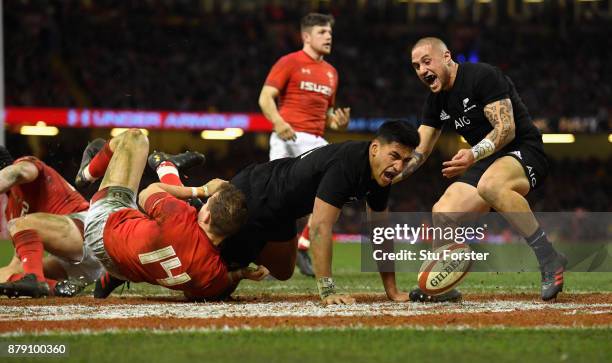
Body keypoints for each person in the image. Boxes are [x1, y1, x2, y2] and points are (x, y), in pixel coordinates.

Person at [153, 121, 417, 305]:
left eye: (405, 161)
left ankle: (234, 255)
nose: (399, 166)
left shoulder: (381, 176)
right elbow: (320, 228)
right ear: (374, 148)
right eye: (394, 155)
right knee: (202, 292)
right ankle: (170, 172)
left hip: (282, 211)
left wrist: (392, 291)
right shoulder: (347, 165)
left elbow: (380, 233)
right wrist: (327, 290)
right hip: (253, 200)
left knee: (283, 271)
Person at [397, 37, 565, 302]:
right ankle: (442, 287)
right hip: (487, 160)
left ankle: (549, 257)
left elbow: (506, 129)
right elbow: (420, 149)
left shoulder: (482, 76)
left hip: (524, 149)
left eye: (426, 62)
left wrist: (473, 154)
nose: (421, 70)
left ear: (447, 57)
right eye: (416, 66)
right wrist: (389, 173)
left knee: (490, 185)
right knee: (443, 212)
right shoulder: (436, 100)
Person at [72, 130, 268, 301]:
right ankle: (168, 165)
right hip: (125, 267)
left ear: (207, 217)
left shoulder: (180, 218)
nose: (202, 208)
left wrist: (202, 190)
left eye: (206, 206)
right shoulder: (212, 273)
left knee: (134, 138)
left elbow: (146, 193)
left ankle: (87, 174)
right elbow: (199, 293)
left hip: (103, 227)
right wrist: (242, 273)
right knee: (173, 217)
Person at [258, 13, 350, 277]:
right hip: (287, 136)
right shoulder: (289, 62)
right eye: (322, 32)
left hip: (314, 138)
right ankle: (266, 255)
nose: (328, 36)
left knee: (336, 190)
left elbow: (327, 116)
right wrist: (278, 123)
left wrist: (338, 123)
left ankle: (303, 244)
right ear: (306, 36)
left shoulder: (332, 73)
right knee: (273, 197)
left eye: (330, 32)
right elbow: (265, 98)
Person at [0, 146, 103, 297]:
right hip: (75, 263)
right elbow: (19, 263)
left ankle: (36, 280)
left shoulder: (25, 165)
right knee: (9, 272)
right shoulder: (10, 210)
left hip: (89, 233)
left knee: (19, 223)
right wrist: (12, 274)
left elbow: (17, 172)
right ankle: (57, 287)